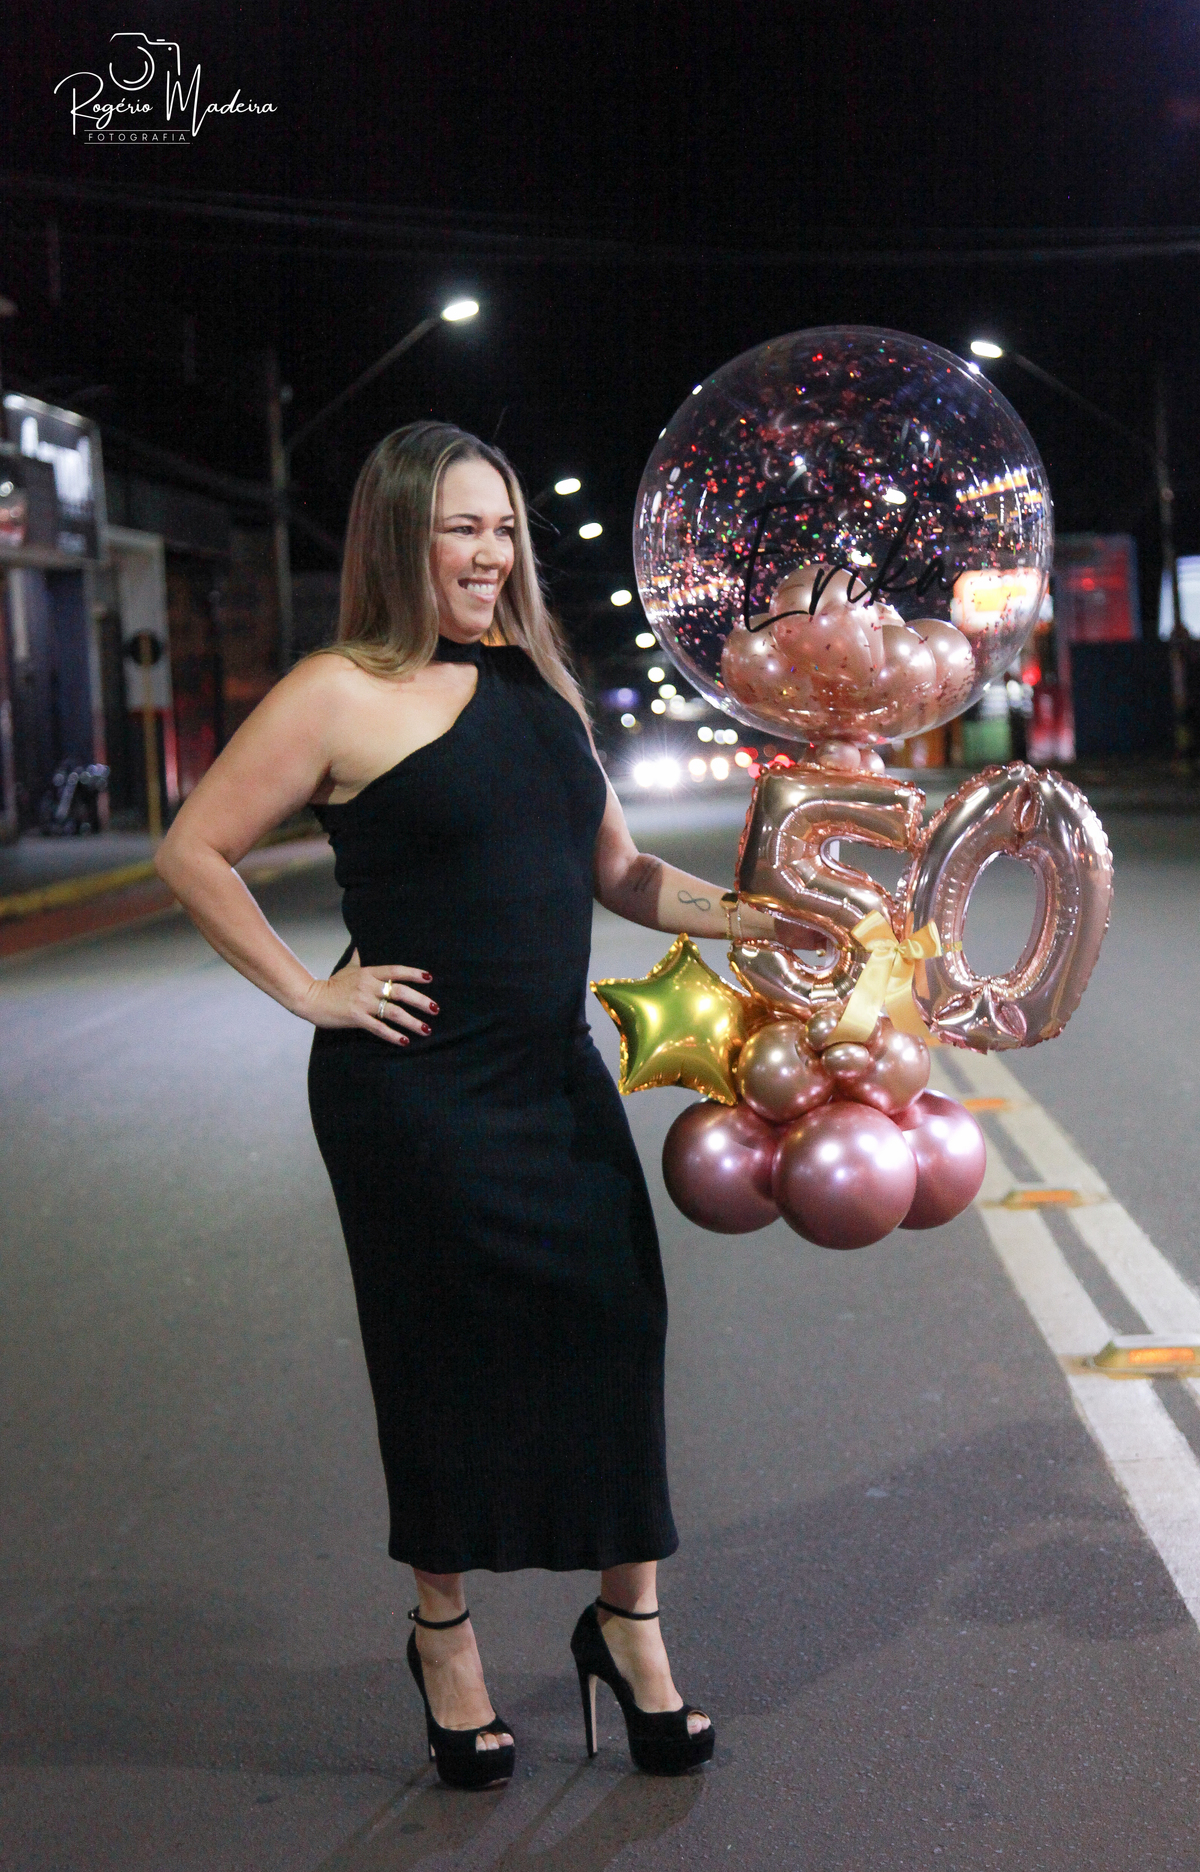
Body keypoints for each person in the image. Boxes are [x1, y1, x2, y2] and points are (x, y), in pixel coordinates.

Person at [156, 421, 784, 1787]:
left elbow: (621, 875)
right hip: (415, 1092)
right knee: (441, 1361)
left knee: (618, 1330)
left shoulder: (539, 681)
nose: (492, 553)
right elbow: (195, 848)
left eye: (504, 528)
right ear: (402, 537)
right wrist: (307, 990)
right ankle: (444, 1641)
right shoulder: (336, 691)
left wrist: (759, 920)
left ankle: (629, 1628)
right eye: (463, 528)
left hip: (553, 1076)